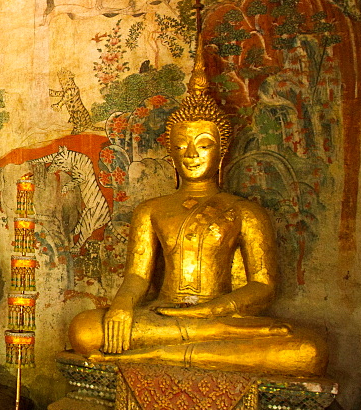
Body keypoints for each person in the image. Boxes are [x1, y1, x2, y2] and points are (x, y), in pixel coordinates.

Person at [68, 67, 326, 376]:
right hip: (164, 316)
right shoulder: (151, 210)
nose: (191, 154)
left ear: (222, 150)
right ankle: (184, 350)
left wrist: (213, 310)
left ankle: (155, 355)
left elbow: (263, 285)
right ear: (171, 153)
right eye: (181, 145)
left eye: (203, 144)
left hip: (220, 319)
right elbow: (138, 276)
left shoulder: (245, 211)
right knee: (84, 330)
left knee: (309, 350)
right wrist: (122, 305)